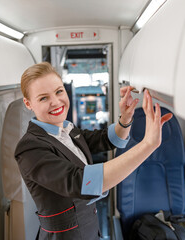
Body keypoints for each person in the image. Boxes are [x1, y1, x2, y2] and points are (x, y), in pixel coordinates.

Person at [14, 62, 173, 240]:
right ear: (28, 104)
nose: (56, 102)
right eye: (43, 98)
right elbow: (81, 182)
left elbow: (105, 139)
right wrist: (147, 145)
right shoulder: (30, 148)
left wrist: (126, 117)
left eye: (59, 91)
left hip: (89, 230)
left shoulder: (66, 129)